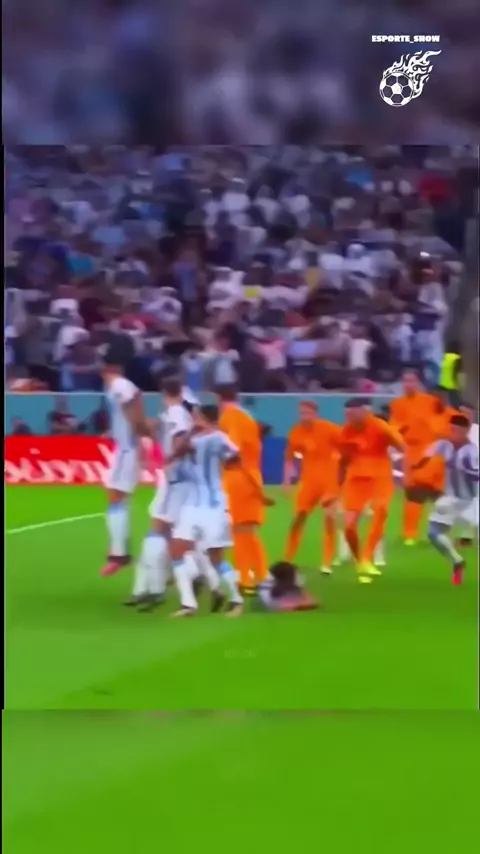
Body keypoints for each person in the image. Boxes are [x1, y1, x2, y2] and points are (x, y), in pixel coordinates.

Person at [167, 404, 244, 617]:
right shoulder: (194, 440)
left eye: (197, 417)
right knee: (176, 551)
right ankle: (188, 604)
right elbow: (175, 454)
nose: (193, 421)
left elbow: (236, 457)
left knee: (216, 557)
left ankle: (237, 600)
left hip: (213, 506)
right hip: (192, 504)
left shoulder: (218, 437)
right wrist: (191, 433)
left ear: (207, 419)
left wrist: (225, 466)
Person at [127, 377, 194, 610]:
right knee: (170, 534)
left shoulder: (176, 414)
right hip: (178, 480)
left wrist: (171, 459)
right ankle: (146, 588)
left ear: (164, 392)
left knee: (158, 530)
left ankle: (153, 590)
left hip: (175, 480)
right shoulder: (174, 414)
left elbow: (180, 439)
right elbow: (156, 431)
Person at [338, 399, 404, 583]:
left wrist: (395, 440)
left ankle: (367, 557)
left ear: (364, 411)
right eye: (346, 414)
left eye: (351, 413)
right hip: (356, 479)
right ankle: (360, 561)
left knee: (381, 510)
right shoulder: (345, 432)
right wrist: (337, 482)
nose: (348, 417)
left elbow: (401, 446)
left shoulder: (380, 427)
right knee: (349, 526)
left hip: (379, 476)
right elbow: (343, 459)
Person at [217, 383, 271, 594]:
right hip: (251, 476)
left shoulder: (230, 417)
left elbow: (231, 449)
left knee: (239, 530)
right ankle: (260, 575)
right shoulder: (246, 416)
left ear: (219, 399)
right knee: (246, 530)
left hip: (238, 477)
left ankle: (246, 578)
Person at [413, 415, 478, 585]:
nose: (453, 432)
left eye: (457, 429)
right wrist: (416, 472)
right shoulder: (444, 444)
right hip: (451, 498)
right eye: (452, 429)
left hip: (471, 499)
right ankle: (457, 561)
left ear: (466, 431)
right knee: (433, 533)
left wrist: (467, 471)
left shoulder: (472, 452)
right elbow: (425, 457)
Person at [100, 346, 145, 578]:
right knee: (117, 498)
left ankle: (119, 554)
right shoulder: (117, 386)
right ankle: (119, 550)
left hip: (128, 449)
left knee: (115, 497)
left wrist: (138, 431)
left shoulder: (119, 385)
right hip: (125, 447)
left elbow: (134, 402)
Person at [283, 400, 341, 575]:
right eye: (302, 413)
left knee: (329, 519)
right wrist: (286, 481)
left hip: (329, 482)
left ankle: (326, 563)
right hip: (308, 482)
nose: (304, 416)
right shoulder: (295, 432)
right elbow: (289, 458)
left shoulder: (328, 428)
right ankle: (288, 559)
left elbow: (346, 447)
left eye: (307, 413)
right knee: (298, 519)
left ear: (315, 414)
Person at [389, 370, 439, 544]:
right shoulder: (397, 404)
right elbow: (394, 427)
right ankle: (410, 534)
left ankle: (437, 532)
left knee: (437, 494)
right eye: (405, 381)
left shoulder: (430, 401)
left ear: (418, 383)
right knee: (413, 493)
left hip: (432, 451)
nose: (408, 384)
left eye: (411, 381)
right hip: (411, 451)